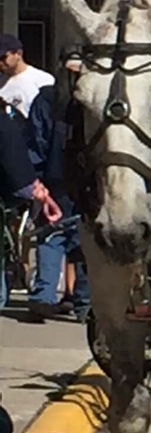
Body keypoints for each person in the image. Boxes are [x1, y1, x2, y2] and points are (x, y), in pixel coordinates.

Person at [1, 39, 83, 321]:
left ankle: (44, 297)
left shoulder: (47, 95)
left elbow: (36, 140)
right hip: (80, 179)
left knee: (52, 235)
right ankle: (83, 303)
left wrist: (34, 177)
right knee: (80, 239)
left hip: (55, 176)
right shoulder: (88, 97)